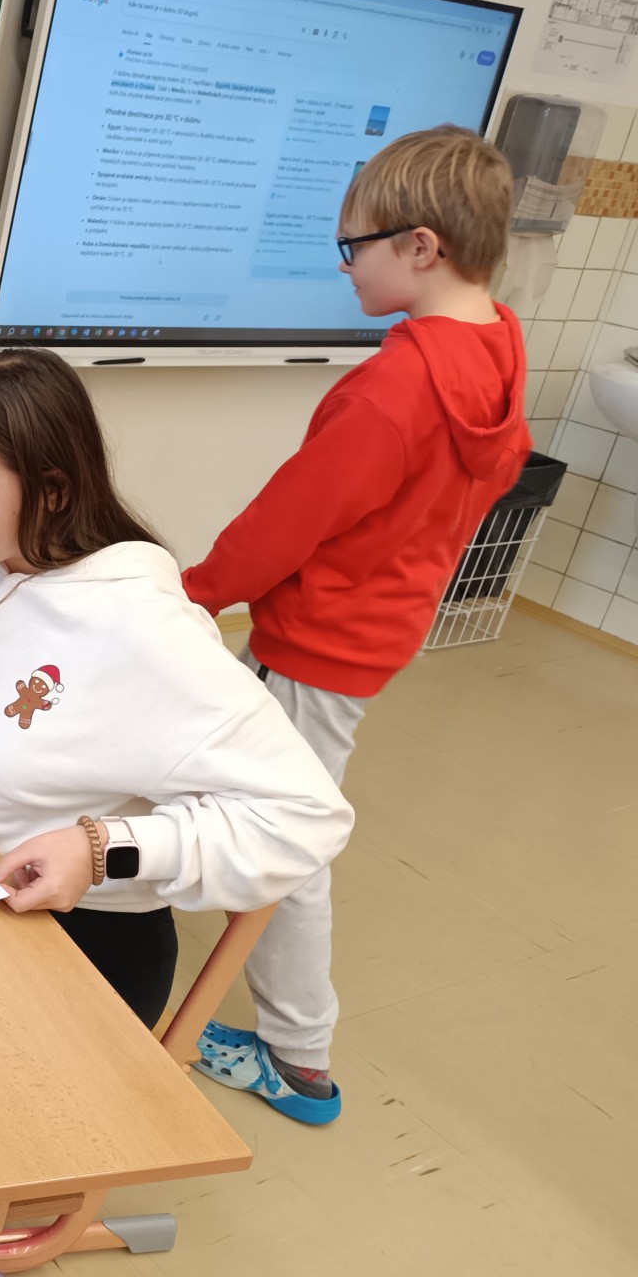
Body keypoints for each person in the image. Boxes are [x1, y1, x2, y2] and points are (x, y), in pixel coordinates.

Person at [0, 349, 354, 1034]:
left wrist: (100, 849)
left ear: (52, 492)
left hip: (69, 941)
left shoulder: (145, 632)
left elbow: (307, 817)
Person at [182, 125, 529, 1124]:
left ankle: (300, 1059)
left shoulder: (395, 388)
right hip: (379, 626)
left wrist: (196, 591)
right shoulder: (498, 343)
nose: (345, 267)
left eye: (354, 247)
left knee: (287, 845)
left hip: (318, 644)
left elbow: (290, 519)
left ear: (421, 247)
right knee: (261, 801)